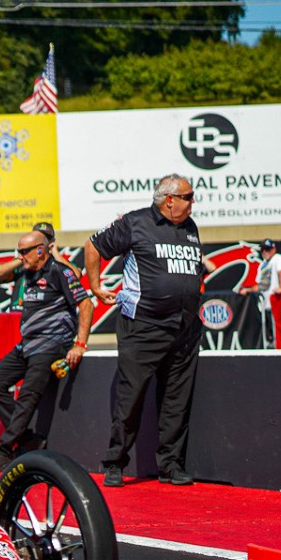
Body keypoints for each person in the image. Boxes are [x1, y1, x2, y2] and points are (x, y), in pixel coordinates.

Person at [84, 173, 204, 487]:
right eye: (188, 197)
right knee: (131, 397)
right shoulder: (135, 222)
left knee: (176, 399)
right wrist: (95, 286)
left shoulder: (190, 227)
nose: (193, 202)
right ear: (169, 200)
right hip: (143, 326)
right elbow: (93, 245)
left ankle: (170, 466)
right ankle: (115, 463)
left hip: (184, 328)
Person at [0, 230, 94, 472]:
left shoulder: (59, 271)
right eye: (18, 251)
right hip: (28, 343)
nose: (20, 256)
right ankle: (26, 439)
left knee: (27, 397)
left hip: (52, 343)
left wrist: (80, 344)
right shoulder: (26, 271)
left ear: (41, 250)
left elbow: (86, 304)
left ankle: (5, 450)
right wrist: (22, 258)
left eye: (24, 251)